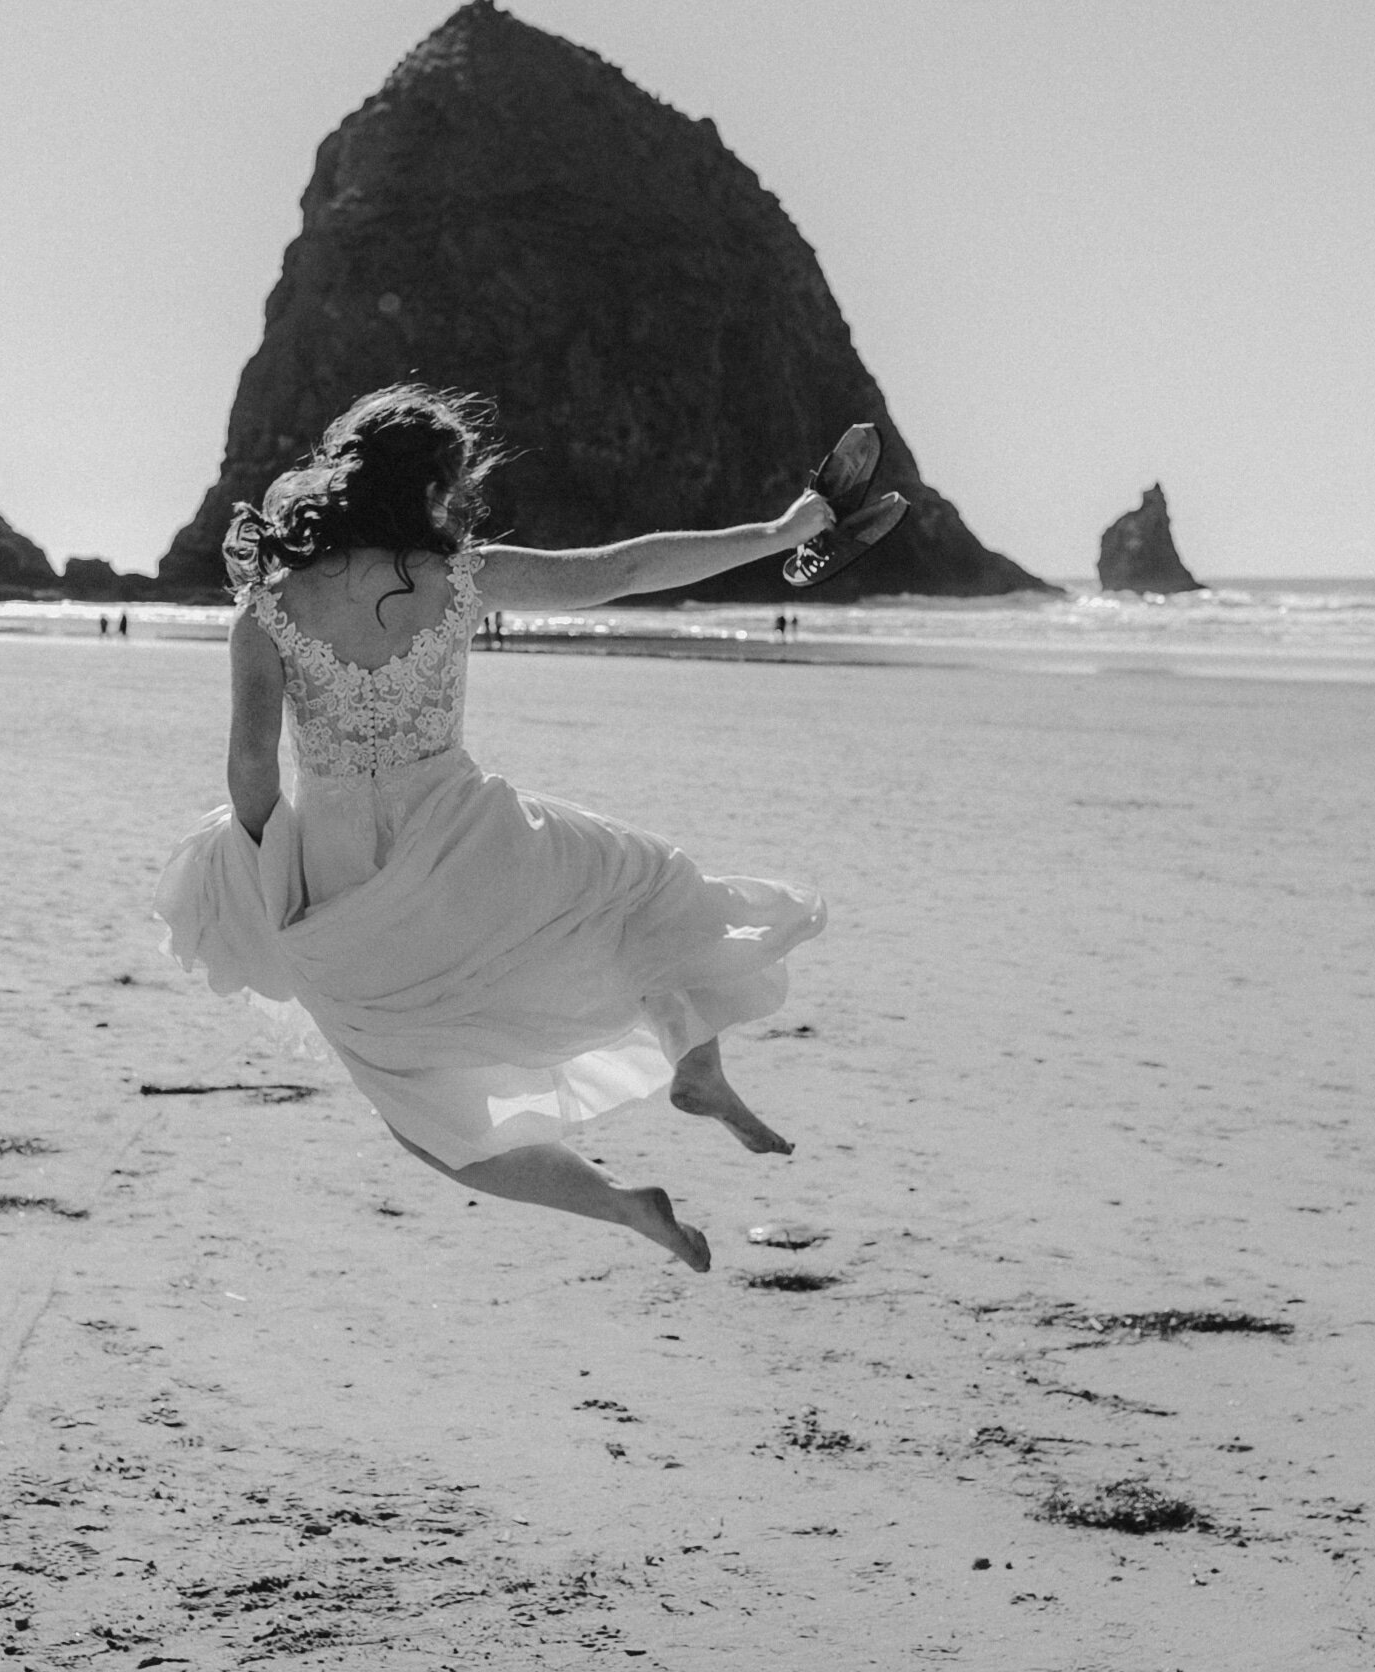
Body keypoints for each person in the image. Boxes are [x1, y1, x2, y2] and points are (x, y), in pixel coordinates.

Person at [156, 386, 866, 1274]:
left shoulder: (269, 606)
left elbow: (251, 770)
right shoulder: (458, 578)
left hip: (334, 876)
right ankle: (696, 1060)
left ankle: (618, 1204)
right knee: (646, 884)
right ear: (431, 487)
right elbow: (624, 568)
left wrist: (277, 885)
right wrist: (783, 530)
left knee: (421, 1113)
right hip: (463, 836)